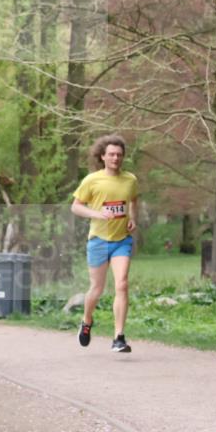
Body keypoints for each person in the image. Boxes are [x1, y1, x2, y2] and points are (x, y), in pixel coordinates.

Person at [70, 134, 139, 353]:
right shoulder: (92, 180)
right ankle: (87, 321)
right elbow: (75, 206)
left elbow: (133, 200)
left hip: (122, 241)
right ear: (102, 156)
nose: (115, 158)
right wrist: (98, 214)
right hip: (98, 241)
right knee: (97, 289)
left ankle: (119, 337)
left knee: (122, 284)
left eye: (119, 155)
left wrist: (132, 217)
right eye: (111, 154)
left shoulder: (130, 179)